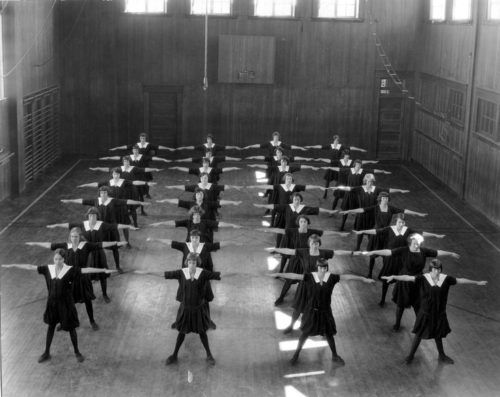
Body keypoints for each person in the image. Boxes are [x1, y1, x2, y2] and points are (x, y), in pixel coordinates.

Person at [2, 249, 115, 363]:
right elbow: (31, 267)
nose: (57, 261)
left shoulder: (70, 270)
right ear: (53, 259)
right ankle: (46, 352)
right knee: (51, 327)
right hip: (52, 304)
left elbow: (86, 270)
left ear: (64, 259)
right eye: (56, 259)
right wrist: (13, 265)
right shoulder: (48, 269)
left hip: (66, 305)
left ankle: (77, 352)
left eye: (60, 259)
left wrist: (102, 270)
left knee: (71, 329)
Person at [268, 258, 374, 365]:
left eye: (325, 268)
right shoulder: (310, 277)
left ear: (327, 268)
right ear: (317, 267)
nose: (323, 270)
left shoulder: (332, 278)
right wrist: (279, 274)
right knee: (305, 334)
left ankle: (335, 356)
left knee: (329, 334)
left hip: (325, 312)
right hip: (311, 311)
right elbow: (294, 275)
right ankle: (296, 355)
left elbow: (347, 277)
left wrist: (363, 279)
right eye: (321, 268)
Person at [382, 259, 487, 364]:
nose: (436, 272)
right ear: (430, 270)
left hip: (439, 313)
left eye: (438, 269)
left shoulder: (446, 279)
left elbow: (460, 280)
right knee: (419, 334)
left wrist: (477, 282)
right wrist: (394, 277)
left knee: (438, 334)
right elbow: (407, 278)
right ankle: (410, 356)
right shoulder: (423, 279)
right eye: (434, 270)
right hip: (425, 313)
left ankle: (442, 355)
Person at [25, 228, 125, 329]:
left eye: (76, 237)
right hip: (69, 280)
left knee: (87, 301)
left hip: (83, 279)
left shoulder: (86, 246)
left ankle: (92, 321)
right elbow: (50, 245)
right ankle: (63, 321)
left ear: (80, 237)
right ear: (70, 237)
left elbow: (100, 244)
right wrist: (34, 243)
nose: (74, 239)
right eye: (72, 237)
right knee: (67, 303)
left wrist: (116, 243)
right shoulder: (65, 246)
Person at [360, 233, 460, 331]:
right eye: (414, 244)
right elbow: (388, 252)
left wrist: (451, 254)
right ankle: (397, 323)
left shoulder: (423, 251)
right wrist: (374, 252)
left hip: (418, 281)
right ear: (409, 243)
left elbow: (438, 252)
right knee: (401, 304)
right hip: (405, 282)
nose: (417, 245)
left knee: (418, 305)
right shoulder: (404, 250)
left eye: (418, 243)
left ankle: (419, 325)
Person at [135, 253, 221, 365]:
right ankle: (174, 355)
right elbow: (165, 274)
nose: (191, 265)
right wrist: (147, 272)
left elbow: (218, 275)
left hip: (198, 310)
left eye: (194, 263)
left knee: (202, 333)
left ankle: (209, 355)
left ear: (197, 263)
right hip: (185, 310)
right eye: (189, 262)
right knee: (181, 333)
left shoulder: (203, 273)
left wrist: (236, 274)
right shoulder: (181, 273)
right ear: (187, 263)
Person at [353, 213, 445, 305]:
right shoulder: (389, 229)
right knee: (386, 281)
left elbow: (421, 233)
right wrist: (363, 231)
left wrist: (435, 235)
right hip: (391, 260)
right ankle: (383, 299)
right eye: (399, 222)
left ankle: (402, 298)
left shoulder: (408, 230)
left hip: (403, 260)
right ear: (396, 222)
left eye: (403, 222)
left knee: (403, 280)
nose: (401, 224)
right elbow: (377, 231)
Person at [266, 235, 353, 329]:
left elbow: (337, 252)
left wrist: (353, 253)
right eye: (312, 243)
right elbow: (289, 251)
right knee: (298, 308)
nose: (315, 245)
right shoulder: (304, 252)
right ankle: (291, 326)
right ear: (309, 244)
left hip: (319, 286)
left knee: (321, 308)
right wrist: (277, 249)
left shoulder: (324, 253)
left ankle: (323, 328)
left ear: (319, 244)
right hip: (305, 284)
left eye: (316, 243)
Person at [46, 207, 136, 295]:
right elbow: (69, 225)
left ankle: (104, 293)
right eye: (90, 216)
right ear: (87, 216)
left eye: (94, 215)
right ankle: (88, 293)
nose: (92, 217)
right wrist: (56, 225)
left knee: (102, 275)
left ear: (97, 216)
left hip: (99, 253)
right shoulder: (82, 225)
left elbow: (115, 226)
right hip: (87, 254)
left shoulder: (102, 225)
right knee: (87, 274)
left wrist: (128, 226)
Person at [60, 185, 147, 247]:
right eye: (101, 193)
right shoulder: (96, 201)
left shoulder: (113, 201)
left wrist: (138, 202)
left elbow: (125, 201)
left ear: (107, 193)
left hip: (113, 219)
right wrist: (69, 200)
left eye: (105, 193)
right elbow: (83, 201)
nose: (103, 195)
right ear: (99, 194)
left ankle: (127, 242)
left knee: (120, 231)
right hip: (102, 222)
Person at [341, 190, 424, 251]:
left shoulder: (391, 208)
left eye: (387, 198)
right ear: (380, 199)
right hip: (376, 232)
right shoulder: (376, 208)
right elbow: (362, 210)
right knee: (373, 253)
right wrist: (349, 211)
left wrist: (417, 213)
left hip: (386, 233)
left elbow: (404, 211)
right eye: (384, 198)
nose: (385, 200)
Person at [148, 206, 242, 243]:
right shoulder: (187, 222)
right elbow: (173, 223)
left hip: (203, 244)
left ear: (200, 215)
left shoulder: (205, 222)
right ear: (192, 216)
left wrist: (232, 225)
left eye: (198, 215)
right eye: (194, 215)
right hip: (190, 244)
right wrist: (160, 223)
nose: (196, 217)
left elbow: (220, 224)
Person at [157, 188, 241, 221]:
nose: (199, 195)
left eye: (201, 194)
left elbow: (220, 202)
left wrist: (233, 202)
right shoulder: (190, 204)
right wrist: (165, 200)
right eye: (197, 194)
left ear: (203, 196)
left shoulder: (208, 203)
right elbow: (177, 201)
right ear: (195, 196)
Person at [164, 172, 242, 202]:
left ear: (208, 179)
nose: (204, 179)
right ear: (200, 179)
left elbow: (224, 187)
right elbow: (184, 187)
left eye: (206, 178)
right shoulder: (196, 186)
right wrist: (173, 186)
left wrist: (234, 187)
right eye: (203, 178)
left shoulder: (212, 186)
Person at [169, 157, 241, 184]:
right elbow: (188, 170)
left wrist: (233, 167)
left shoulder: (213, 170)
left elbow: (223, 170)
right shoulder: (198, 170)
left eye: (207, 163)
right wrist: (178, 167)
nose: (205, 164)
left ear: (208, 164)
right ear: (202, 164)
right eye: (204, 163)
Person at [242, 131, 306, 156]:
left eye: (277, 138)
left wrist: (300, 148)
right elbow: (259, 145)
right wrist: (249, 146)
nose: (276, 139)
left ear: (278, 138)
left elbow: (290, 147)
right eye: (275, 137)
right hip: (271, 161)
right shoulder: (269, 143)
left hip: (279, 160)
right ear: (273, 137)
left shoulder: (281, 144)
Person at [175, 133, 241, 156]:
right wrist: (184, 147)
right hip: (205, 163)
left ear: (212, 140)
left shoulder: (216, 146)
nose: (209, 140)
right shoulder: (203, 146)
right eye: (208, 139)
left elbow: (225, 147)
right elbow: (193, 147)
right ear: (206, 139)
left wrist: (234, 147)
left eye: (210, 139)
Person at [108, 132, 175, 154]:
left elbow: (159, 147)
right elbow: (125, 147)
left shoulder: (149, 145)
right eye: (141, 138)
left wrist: (168, 148)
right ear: (139, 138)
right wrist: (115, 148)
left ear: (145, 139)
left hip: (145, 161)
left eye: (144, 138)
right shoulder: (136, 145)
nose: (142, 139)